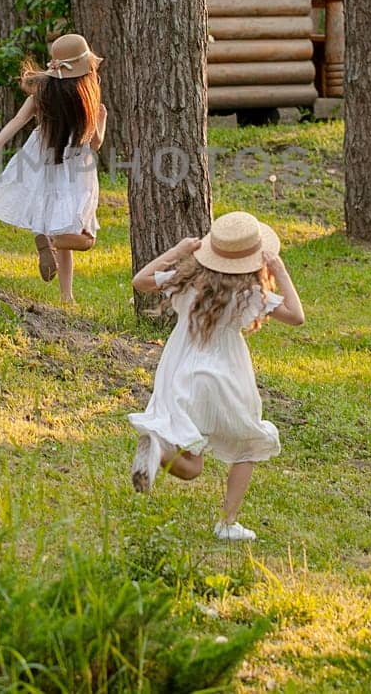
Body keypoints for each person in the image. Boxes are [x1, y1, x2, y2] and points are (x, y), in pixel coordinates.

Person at [127, 211, 306, 542]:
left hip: (180, 371)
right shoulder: (250, 294)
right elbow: (296, 317)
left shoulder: (185, 282)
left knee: (192, 467)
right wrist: (279, 270)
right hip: (225, 376)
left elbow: (140, 281)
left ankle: (157, 451)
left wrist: (178, 251)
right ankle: (227, 523)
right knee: (250, 444)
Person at [0, 33, 108, 303]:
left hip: (43, 162)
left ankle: (66, 295)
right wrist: (102, 118)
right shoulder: (87, 99)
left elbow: (17, 120)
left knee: (61, 224)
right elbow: (95, 144)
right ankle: (52, 246)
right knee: (85, 239)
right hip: (74, 170)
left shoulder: (43, 93)